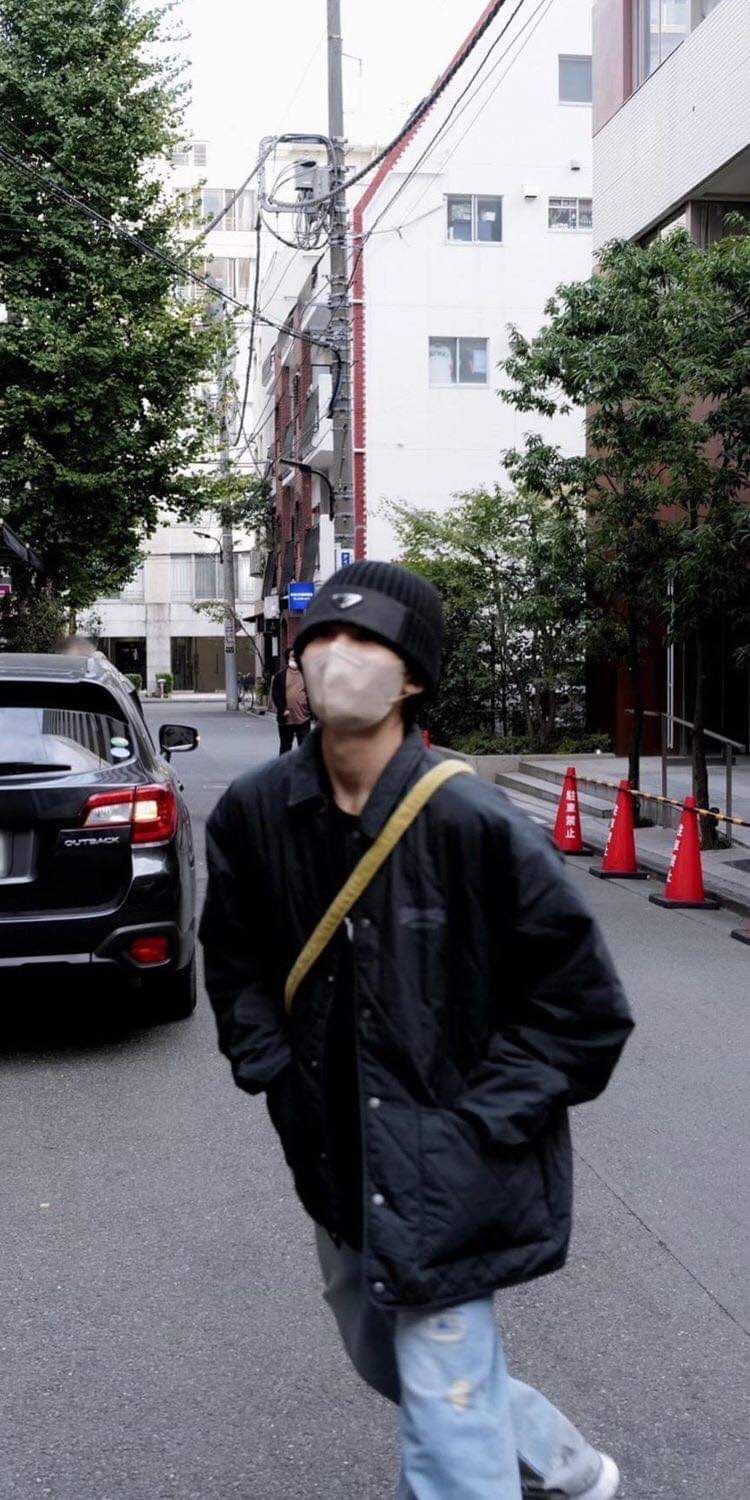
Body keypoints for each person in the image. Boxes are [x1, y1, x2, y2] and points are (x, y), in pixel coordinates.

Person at [200, 560, 633, 1500]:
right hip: (335, 1153)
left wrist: (475, 1128)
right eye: (322, 636)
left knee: (443, 1407)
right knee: (384, 1354)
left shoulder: (474, 821)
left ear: (413, 677)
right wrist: (275, 1072)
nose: (337, 655)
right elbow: (234, 964)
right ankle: (572, 1470)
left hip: (450, 1173)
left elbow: (585, 1009)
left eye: (366, 639)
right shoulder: (255, 814)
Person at [271, 645, 311, 754]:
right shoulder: (280, 676)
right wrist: (282, 708)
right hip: (286, 718)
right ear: (288, 658)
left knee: (304, 748)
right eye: (293, 656)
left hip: (303, 717)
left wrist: (310, 710)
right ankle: (284, 764)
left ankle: (303, 765)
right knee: (285, 746)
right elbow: (276, 694)